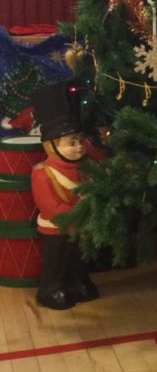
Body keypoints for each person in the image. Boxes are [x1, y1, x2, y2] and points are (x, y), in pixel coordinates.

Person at [30, 79, 103, 310]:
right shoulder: (44, 173)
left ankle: (78, 283)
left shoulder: (85, 166)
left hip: (81, 225)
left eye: (79, 141)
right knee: (57, 262)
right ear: (52, 146)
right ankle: (50, 290)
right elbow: (51, 207)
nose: (79, 147)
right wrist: (80, 213)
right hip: (57, 230)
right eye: (71, 143)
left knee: (78, 259)